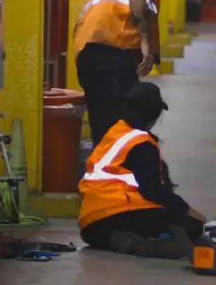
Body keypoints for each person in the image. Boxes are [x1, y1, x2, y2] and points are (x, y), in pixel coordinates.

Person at [78, 82, 206, 258]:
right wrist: (187, 210)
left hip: (90, 226)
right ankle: (142, 243)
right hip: (117, 215)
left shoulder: (116, 132)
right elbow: (153, 190)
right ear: (153, 113)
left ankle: (121, 239)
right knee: (190, 225)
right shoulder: (141, 144)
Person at [74, 0, 168, 143]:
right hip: (113, 48)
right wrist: (145, 41)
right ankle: (115, 172)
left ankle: (104, 172)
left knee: (104, 126)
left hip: (89, 49)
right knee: (120, 126)